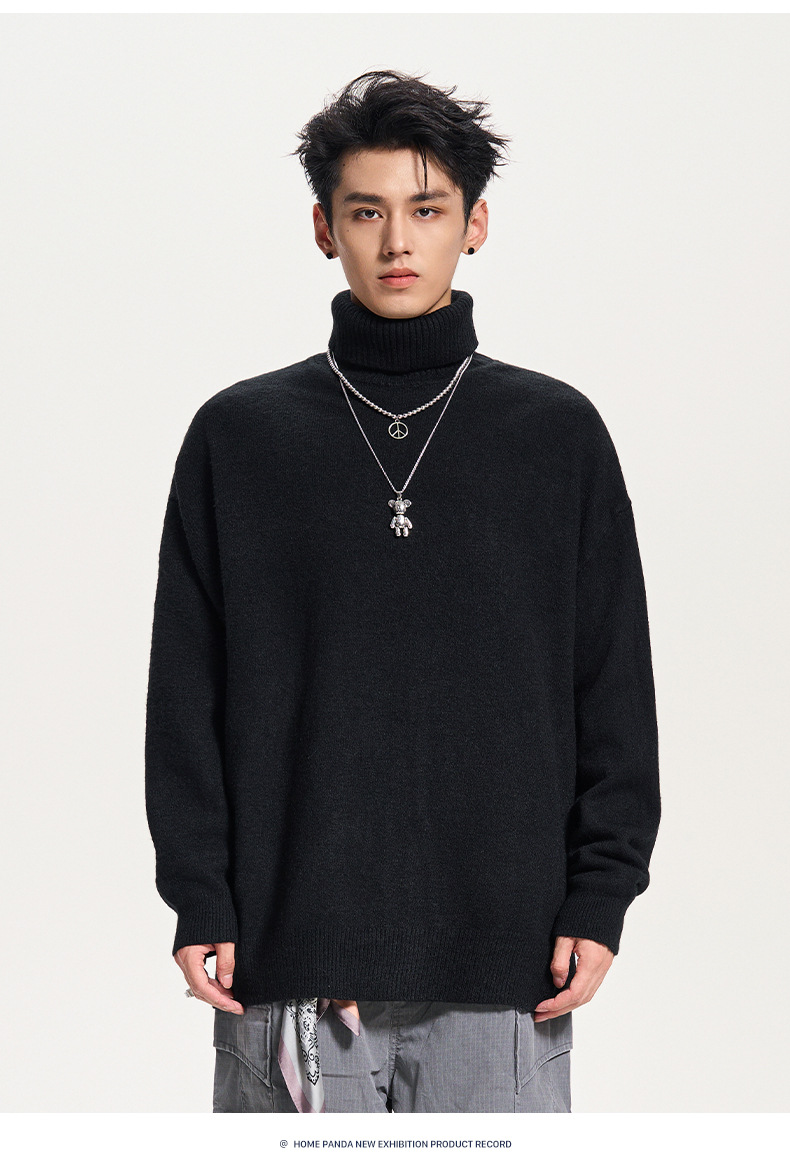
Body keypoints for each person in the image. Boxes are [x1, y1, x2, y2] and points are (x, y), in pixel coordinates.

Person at [145, 69, 661, 1115]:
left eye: (425, 211)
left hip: (507, 959)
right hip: (286, 955)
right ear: (323, 228)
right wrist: (199, 892)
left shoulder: (555, 435)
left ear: (475, 225)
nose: (396, 242)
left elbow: (611, 686)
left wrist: (601, 894)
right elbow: (186, 696)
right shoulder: (239, 438)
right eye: (366, 211)